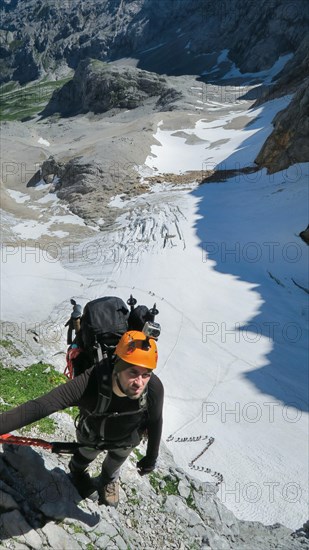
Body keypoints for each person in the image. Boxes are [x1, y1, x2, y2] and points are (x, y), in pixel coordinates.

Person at [0, 331, 164, 508]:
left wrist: (151, 457)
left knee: (115, 463)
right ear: (117, 366)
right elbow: (41, 406)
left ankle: (107, 480)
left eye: (146, 374)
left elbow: (155, 421)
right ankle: (78, 474)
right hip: (92, 436)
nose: (139, 382)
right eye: (133, 372)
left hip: (127, 439)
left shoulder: (153, 388)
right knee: (83, 458)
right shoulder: (91, 383)